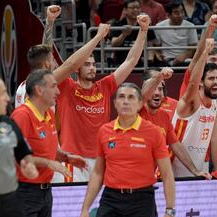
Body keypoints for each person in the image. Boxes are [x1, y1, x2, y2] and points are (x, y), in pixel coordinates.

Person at [56, 14, 151, 182]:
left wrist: (143, 30)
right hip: (73, 160)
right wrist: (98, 37)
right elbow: (66, 64)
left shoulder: (105, 86)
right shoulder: (66, 87)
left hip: (101, 160)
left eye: (93, 64)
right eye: (86, 64)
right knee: (71, 208)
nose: (92, 68)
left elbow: (130, 61)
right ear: (78, 68)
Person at [79, 83, 176, 217]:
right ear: (115, 103)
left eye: (131, 97)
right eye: (121, 97)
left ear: (139, 104)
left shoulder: (153, 132)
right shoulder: (104, 131)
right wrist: (85, 208)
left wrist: (170, 212)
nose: (125, 101)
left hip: (142, 201)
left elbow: (167, 174)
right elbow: (97, 173)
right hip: (111, 199)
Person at [11, 70, 87, 217]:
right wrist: (49, 163)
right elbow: (15, 155)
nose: (58, 91)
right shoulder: (22, 115)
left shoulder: (49, 113)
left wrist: (66, 157)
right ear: (39, 90)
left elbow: (48, 149)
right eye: (53, 86)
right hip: (25, 192)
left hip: (46, 192)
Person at [141, 68, 212, 179]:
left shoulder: (163, 116)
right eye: (153, 88)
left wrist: (195, 171)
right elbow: (142, 96)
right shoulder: (137, 110)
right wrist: (160, 76)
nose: (157, 92)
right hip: (133, 177)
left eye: (160, 89)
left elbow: (176, 145)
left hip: (152, 178)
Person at [172, 37, 217, 178]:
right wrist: (205, 52)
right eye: (211, 79)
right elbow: (193, 81)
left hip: (200, 165)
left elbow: (215, 138)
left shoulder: (215, 102)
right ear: (201, 83)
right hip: (176, 164)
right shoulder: (192, 100)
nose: (216, 82)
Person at [0, 75, 38, 217]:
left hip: (10, 204)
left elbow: (24, 154)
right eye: (2, 93)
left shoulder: (9, 123)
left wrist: (28, 166)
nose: (8, 98)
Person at [109, 0, 157, 67]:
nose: (136, 10)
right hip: (121, 62)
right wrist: (123, 35)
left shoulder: (145, 24)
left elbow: (151, 45)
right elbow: (113, 44)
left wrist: (149, 60)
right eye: (132, 8)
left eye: (138, 7)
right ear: (125, 10)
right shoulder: (118, 24)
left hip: (141, 63)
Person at [154, 0, 198, 67]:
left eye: (182, 12)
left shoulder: (190, 26)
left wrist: (185, 55)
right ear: (168, 15)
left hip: (185, 60)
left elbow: (193, 48)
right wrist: (159, 55)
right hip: (166, 60)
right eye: (176, 13)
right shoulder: (159, 27)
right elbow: (157, 47)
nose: (180, 15)